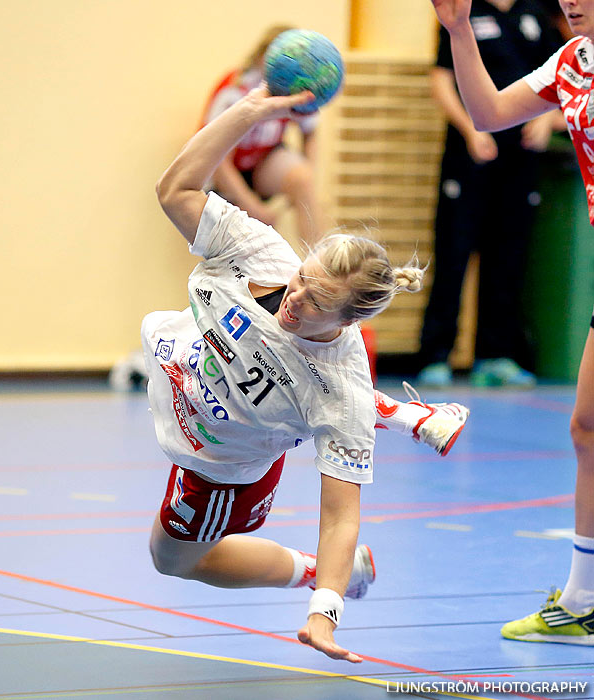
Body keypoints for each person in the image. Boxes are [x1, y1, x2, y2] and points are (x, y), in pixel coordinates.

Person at [144, 84, 470, 662]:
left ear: (348, 322)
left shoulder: (339, 387)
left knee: (170, 561)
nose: (296, 297)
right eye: (302, 278)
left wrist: (325, 611)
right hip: (189, 370)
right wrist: (247, 111)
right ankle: (404, 413)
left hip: (222, 461)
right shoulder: (259, 251)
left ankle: (327, 570)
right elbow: (174, 189)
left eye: (317, 301)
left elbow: (341, 515)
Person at [430, 0, 594, 643]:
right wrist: (460, 30)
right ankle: (584, 601)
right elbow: (489, 112)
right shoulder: (575, 61)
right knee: (586, 429)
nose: (571, 2)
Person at [418, 0, 563, 388]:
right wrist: (471, 128)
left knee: (508, 255)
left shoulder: (536, 14)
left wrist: (547, 119)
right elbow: (443, 79)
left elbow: (563, 87)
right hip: (471, 156)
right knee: (453, 252)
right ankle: (436, 353)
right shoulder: (465, 10)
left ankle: (495, 354)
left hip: (521, 160)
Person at [201, 25, 325, 247]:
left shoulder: (294, 88)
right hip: (223, 169)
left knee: (302, 179)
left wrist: (306, 176)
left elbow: (310, 131)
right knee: (241, 243)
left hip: (262, 164)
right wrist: (253, 207)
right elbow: (216, 160)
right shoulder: (236, 89)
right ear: (265, 57)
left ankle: (321, 265)